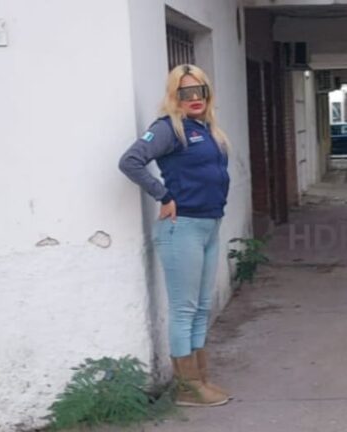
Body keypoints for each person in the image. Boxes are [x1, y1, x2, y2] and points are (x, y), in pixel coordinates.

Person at [119, 64, 231, 407]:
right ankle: (187, 388)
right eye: (185, 92)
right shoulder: (168, 129)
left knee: (201, 307)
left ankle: (200, 378)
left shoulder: (207, 129)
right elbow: (130, 161)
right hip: (181, 228)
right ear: (174, 95)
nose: (194, 98)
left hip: (209, 224)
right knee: (185, 309)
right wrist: (163, 196)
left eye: (200, 90)